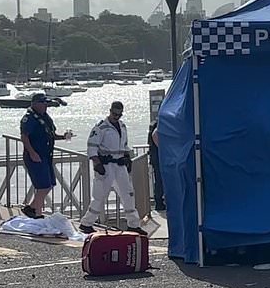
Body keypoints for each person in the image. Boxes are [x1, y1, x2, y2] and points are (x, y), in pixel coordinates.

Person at [79, 101, 145, 234]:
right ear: (110, 111)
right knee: (100, 195)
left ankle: (133, 224)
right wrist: (97, 164)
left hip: (120, 165)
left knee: (128, 194)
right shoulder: (101, 128)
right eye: (114, 114)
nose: (116, 117)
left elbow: (124, 145)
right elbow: (91, 147)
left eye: (119, 115)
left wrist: (127, 157)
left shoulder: (123, 126)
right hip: (106, 165)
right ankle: (86, 223)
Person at [20, 93, 71, 219]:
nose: (45, 105)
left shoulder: (45, 117)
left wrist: (63, 137)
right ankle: (36, 212)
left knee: (50, 184)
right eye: (43, 103)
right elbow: (24, 137)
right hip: (35, 155)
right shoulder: (29, 118)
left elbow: (51, 134)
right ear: (35, 103)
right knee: (43, 186)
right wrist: (32, 153)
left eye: (46, 103)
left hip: (46, 155)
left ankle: (32, 209)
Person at [148, 120, 165, 211]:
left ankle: (159, 201)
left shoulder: (156, 124)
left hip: (156, 157)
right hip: (158, 158)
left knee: (159, 180)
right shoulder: (158, 126)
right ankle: (159, 202)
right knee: (160, 180)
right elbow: (155, 136)